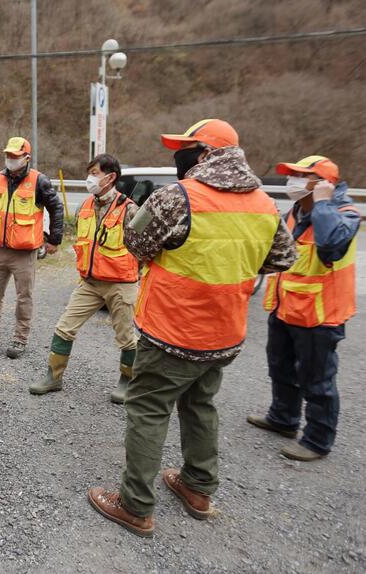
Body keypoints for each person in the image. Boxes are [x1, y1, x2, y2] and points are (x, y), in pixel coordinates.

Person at [87, 118, 297, 537]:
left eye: (183, 149)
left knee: (148, 410)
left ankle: (135, 505)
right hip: (224, 334)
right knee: (200, 406)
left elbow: (135, 242)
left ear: (204, 155)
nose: (176, 156)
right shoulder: (263, 203)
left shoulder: (178, 198)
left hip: (172, 331)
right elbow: (282, 258)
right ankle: (198, 488)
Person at [248, 155, 360, 461]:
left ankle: (317, 440)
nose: (293, 182)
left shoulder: (344, 213)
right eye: (292, 175)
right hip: (286, 307)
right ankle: (283, 418)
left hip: (319, 315)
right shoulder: (296, 212)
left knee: (317, 380)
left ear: (325, 184)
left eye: (302, 176)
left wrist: (323, 204)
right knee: (280, 367)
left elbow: (330, 245)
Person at [31, 153, 139, 402]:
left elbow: (145, 248)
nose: (89, 178)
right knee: (64, 328)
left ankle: (127, 382)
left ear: (110, 177)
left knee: (126, 337)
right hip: (89, 283)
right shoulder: (86, 207)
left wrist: (134, 276)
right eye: (89, 173)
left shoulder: (129, 209)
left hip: (121, 284)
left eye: (94, 173)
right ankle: (53, 377)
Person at [0, 137, 64, 359]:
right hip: (0, 249)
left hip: (25, 252)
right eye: (8, 155)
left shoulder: (39, 181)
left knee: (24, 297)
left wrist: (55, 240)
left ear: (26, 158)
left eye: (15, 156)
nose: (10, 159)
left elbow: (56, 208)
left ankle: (20, 339)